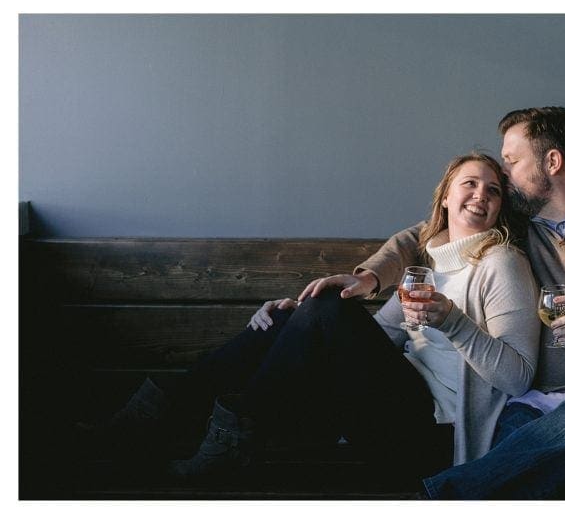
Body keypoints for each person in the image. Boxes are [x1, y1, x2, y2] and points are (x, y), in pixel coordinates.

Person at [301, 107, 565, 499]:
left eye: (512, 161)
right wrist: (372, 275)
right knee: (531, 455)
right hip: (535, 409)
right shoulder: (516, 223)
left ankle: (437, 500)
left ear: (552, 163)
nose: (502, 175)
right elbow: (425, 232)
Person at [88, 152, 540, 482]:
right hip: (389, 406)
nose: (481, 195)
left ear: (500, 206)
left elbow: (518, 377)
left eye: (493, 190)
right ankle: (158, 422)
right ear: (446, 197)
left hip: (433, 436)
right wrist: (301, 320)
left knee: (326, 306)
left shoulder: (501, 263)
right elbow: (381, 335)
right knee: (298, 314)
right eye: (470, 184)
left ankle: (173, 430)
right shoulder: (430, 263)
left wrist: (454, 323)